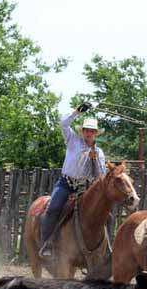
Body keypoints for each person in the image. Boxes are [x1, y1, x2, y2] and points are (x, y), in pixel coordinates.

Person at [39, 102, 106, 257]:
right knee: (53, 208)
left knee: (106, 216)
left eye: (92, 131)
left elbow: (99, 176)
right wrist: (77, 112)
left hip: (86, 188)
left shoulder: (98, 152)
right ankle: (46, 243)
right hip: (66, 183)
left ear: (96, 133)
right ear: (82, 131)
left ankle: (103, 249)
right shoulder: (72, 140)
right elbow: (63, 123)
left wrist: (94, 160)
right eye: (86, 130)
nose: (89, 133)